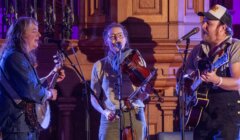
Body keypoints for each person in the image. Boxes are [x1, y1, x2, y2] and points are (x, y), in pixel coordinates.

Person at [0, 17, 65, 140]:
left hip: (23, 124)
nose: (39, 35)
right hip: (16, 125)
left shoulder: (19, 56)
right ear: (21, 35)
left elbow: (25, 84)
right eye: (34, 31)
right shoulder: (15, 57)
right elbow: (31, 91)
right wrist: (49, 94)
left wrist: (51, 75)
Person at [184, 4, 240, 140]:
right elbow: (183, 76)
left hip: (227, 118)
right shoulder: (198, 50)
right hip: (201, 117)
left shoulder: (234, 47)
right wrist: (190, 78)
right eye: (203, 22)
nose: (203, 27)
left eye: (208, 23)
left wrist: (217, 80)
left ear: (223, 28)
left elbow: (238, 82)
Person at [90, 22, 151, 140]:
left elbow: (143, 91)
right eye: (112, 37)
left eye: (120, 36)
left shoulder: (137, 60)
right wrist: (105, 112)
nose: (117, 39)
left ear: (125, 39)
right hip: (111, 116)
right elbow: (94, 97)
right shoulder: (100, 65)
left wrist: (145, 94)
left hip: (135, 112)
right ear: (106, 41)